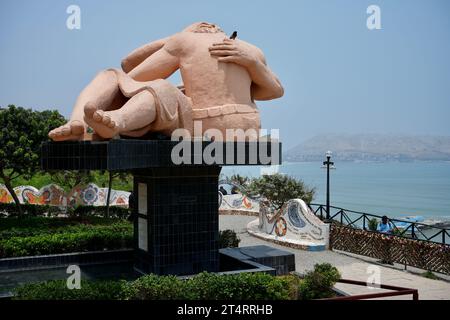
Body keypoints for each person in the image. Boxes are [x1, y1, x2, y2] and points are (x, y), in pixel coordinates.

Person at [48, 22, 283, 141]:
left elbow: (129, 72)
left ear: (195, 30)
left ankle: (87, 122)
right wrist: (253, 64)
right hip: (246, 129)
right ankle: (104, 122)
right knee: (165, 91)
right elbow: (274, 91)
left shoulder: (184, 41)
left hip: (201, 127)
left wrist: (174, 39)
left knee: (141, 84)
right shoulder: (251, 50)